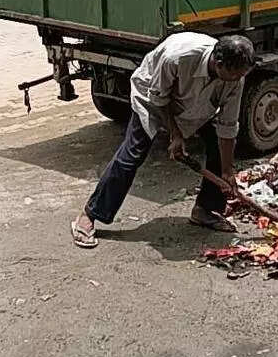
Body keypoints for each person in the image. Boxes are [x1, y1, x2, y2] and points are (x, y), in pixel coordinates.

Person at [71, 33, 256, 248]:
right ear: (219, 64)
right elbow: (159, 98)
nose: (237, 80)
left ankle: (205, 210)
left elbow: (228, 125)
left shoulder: (236, 77)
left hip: (197, 105)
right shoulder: (178, 57)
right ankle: (89, 215)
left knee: (217, 146)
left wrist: (227, 171)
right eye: (234, 75)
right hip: (152, 98)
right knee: (132, 154)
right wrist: (175, 135)